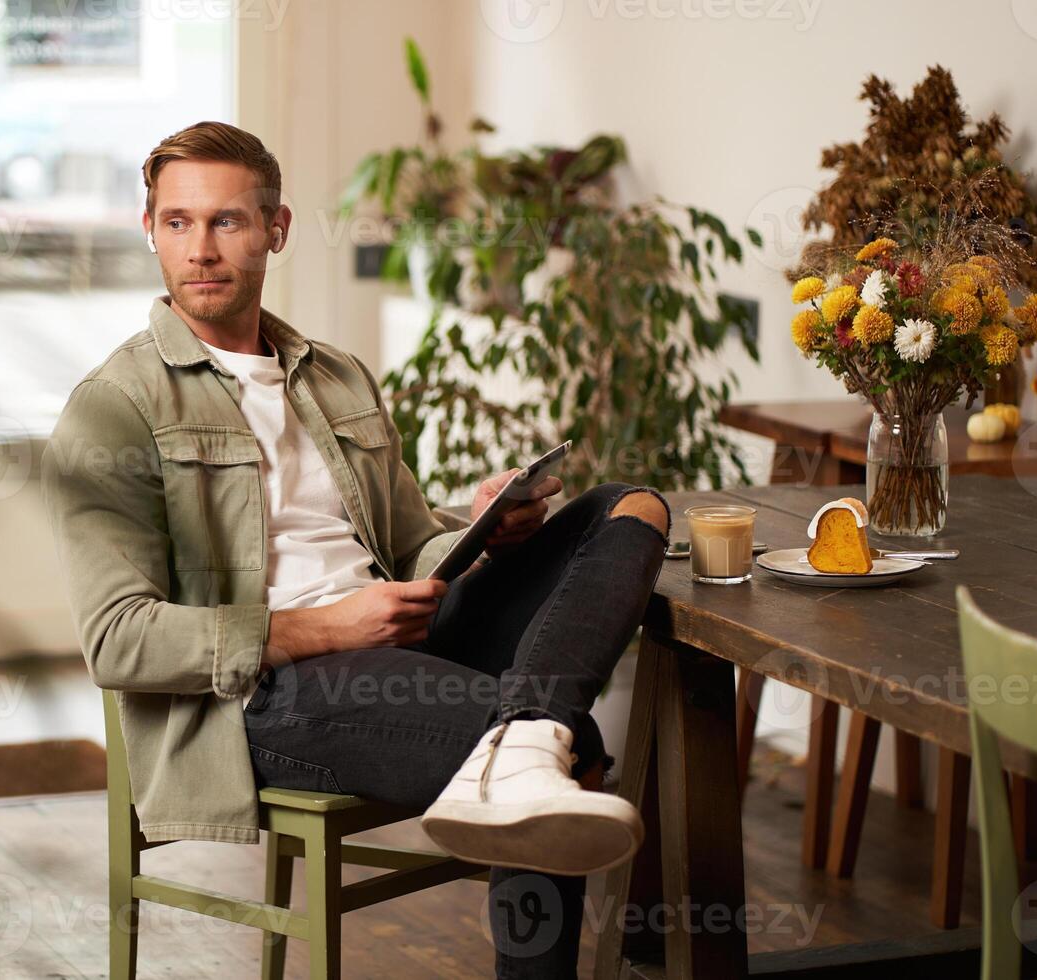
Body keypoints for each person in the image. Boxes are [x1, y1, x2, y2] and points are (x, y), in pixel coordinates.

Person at [42, 120, 673, 977]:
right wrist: (326, 629)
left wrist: (483, 531)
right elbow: (118, 639)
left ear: (276, 228)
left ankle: (524, 741)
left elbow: (412, 546)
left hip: (400, 631)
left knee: (627, 508)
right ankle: (530, 746)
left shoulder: (334, 375)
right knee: (560, 748)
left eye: (227, 221)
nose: (201, 249)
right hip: (264, 695)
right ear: (149, 227)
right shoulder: (115, 406)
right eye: (178, 222)